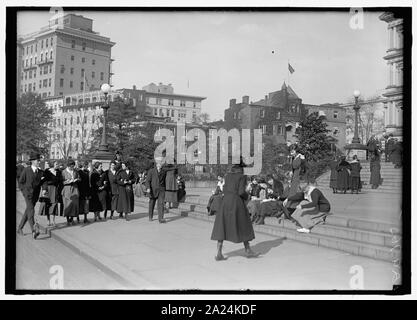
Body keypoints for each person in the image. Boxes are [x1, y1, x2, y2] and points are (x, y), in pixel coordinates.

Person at [210, 162, 258, 261]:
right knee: (243, 225)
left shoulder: (227, 176)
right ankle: (248, 250)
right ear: (241, 168)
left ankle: (219, 253)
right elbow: (241, 192)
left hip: (225, 202)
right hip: (236, 203)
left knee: (222, 226)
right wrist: (248, 196)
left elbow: (225, 189)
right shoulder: (242, 176)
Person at [17, 153, 44, 239]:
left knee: (28, 211)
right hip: (27, 194)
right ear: (32, 161)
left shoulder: (40, 172)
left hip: (35, 195)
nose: (38, 162)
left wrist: (45, 189)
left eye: (39, 160)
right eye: (37, 160)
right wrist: (24, 192)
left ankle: (20, 228)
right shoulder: (26, 170)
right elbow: (21, 182)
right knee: (31, 211)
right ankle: (34, 230)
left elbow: (43, 182)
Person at [40, 161, 62, 226]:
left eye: (57, 164)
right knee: (47, 204)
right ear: (52, 165)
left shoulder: (59, 172)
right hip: (47, 189)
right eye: (56, 164)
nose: (57, 165)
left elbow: (60, 182)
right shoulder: (47, 171)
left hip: (55, 189)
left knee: (54, 205)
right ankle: (48, 220)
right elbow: (44, 181)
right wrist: (44, 189)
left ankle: (53, 221)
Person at [61, 159, 80, 226]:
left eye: (73, 166)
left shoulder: (75, 171)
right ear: (68, 165)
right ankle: (67, 220)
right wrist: (67, 181)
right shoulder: (63, 172)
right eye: (71, 166)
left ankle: (71, 219)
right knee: (67, 205)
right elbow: (61, 181)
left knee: (74, 204)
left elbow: (79, 178)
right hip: (67, 189)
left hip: (74, 189)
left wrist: (76, 179)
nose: (72, 167)